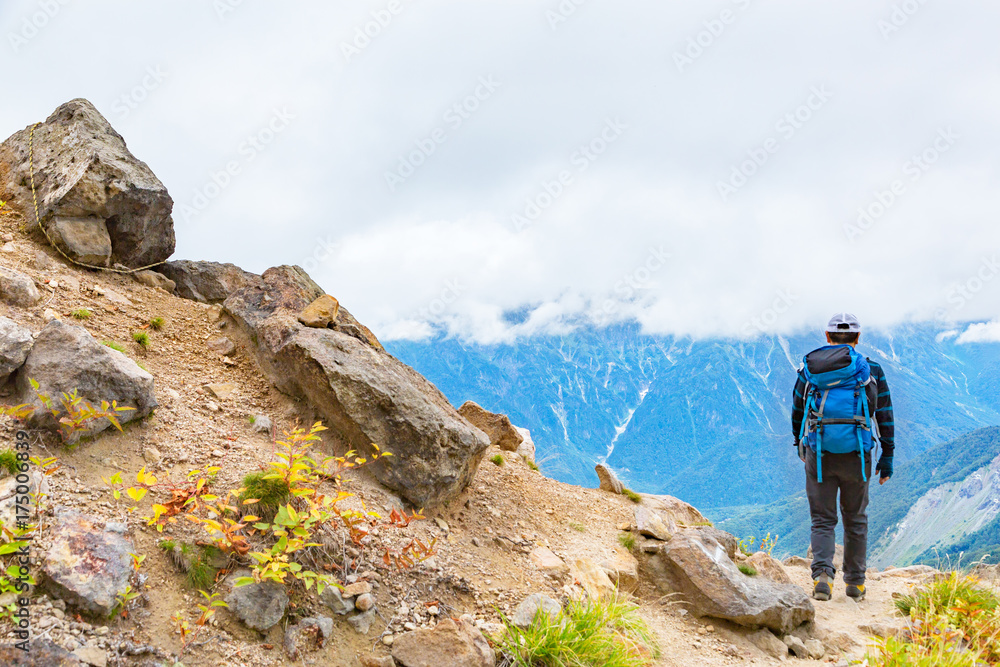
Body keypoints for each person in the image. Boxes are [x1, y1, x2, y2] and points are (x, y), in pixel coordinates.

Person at [791, 313, 894, 601]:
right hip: (858, 455)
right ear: (857, 339)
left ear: (827, 338)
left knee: (822, 519)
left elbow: (797, 409)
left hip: (819, 452)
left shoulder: (810, 369)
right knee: (855, 518)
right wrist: (887, 458)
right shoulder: (871, 369)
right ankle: (855, 583)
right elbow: (884, 415)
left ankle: (823, 576)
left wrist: (800, 445)